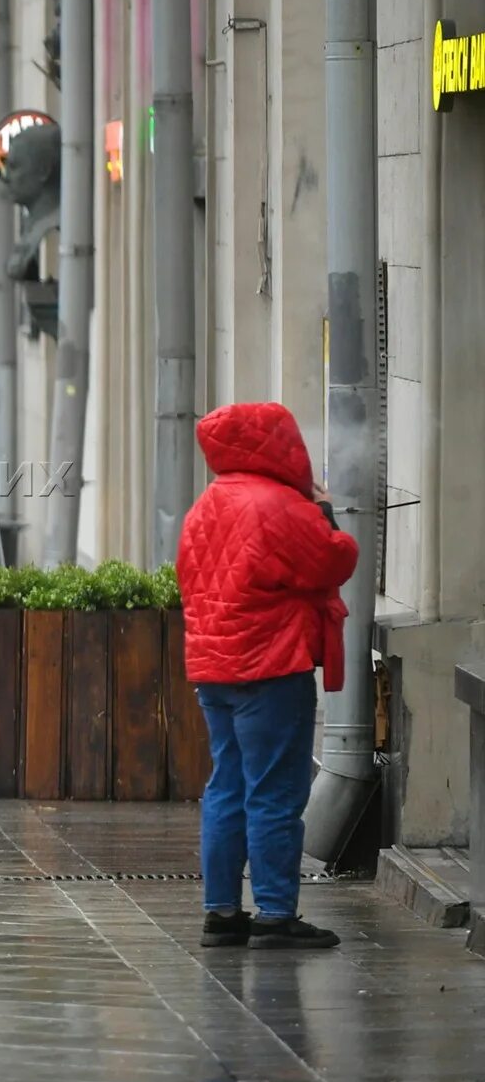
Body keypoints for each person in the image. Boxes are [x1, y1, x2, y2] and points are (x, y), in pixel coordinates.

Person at [178, 401, 358, 950]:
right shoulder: (279, 505)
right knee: (276, 791)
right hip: (271, 666)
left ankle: (223, 913)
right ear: (280, 445)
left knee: (227, 786)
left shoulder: (207, 504)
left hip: (216, 669)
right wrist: (325, 513)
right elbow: (335, 560)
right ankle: (276, 914)